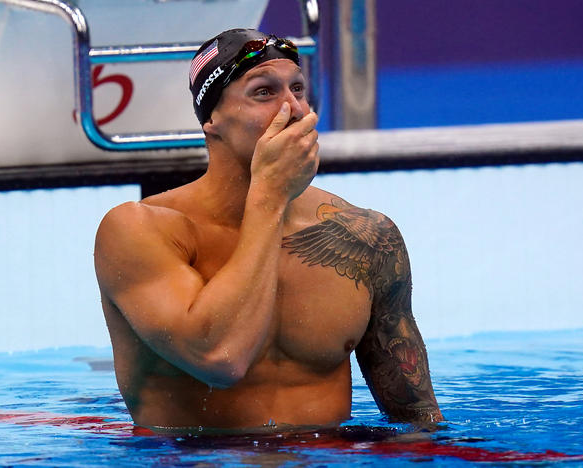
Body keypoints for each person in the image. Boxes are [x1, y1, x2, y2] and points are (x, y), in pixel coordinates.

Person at [94, 28, 442, 433]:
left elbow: (416, 420)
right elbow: (221, 358)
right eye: (264, 92)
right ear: (212, 119)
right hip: (191, 459)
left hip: (328, 458)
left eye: (298, 89)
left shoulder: (365, 236)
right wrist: (269, 199)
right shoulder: (140, 230)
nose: (292, 109)